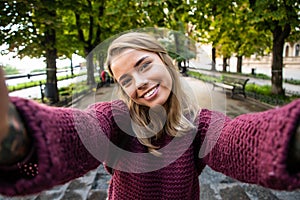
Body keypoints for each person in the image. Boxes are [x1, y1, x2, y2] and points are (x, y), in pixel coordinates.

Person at [0, 32, 299, 200]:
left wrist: (291, 136)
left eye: (144, 65)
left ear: (166, 61)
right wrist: (13, 132)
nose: (139, 82)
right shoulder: (117, 118)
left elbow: (239, 142)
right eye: (126, 80)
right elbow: (81, 133)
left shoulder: (198, 122)